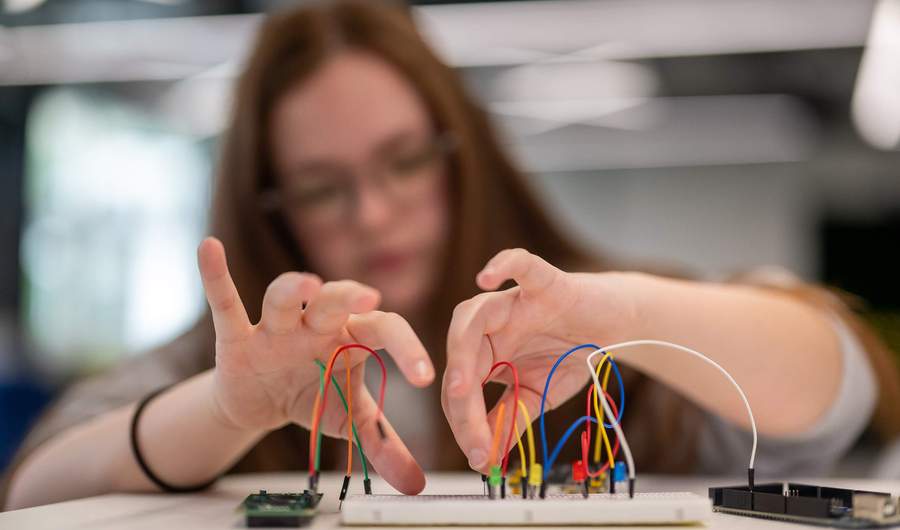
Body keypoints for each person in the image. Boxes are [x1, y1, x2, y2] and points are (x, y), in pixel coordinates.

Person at [3, 0, 899, 510]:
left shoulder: (612, 345)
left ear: (458, 151)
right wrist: (231, 407)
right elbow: (38, 491)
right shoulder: (206, 371)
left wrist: (621, 317)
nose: (375, 211)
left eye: (404, 160)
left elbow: (847, 389)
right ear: (268, 205)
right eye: (322, 184)